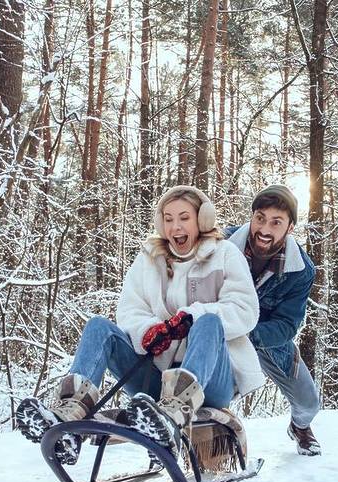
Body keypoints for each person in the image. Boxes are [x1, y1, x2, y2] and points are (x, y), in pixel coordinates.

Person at [16, 186, 263, 461]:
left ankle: (173, 417)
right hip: (155, 377)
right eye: (168, 219)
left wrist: (191, 317)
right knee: (99, 327)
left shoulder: (225, 254)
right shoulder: (149, 258)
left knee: (208, 321)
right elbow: (130, 310)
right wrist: (148, 331)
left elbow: (245, 310)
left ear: (201, 220)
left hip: (211, 382)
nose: (175, 226)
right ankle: (69, 419)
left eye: (184, 218)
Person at [225, 185, 322, 456]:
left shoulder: (300, 270)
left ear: (290, 227)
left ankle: (300, 428)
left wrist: (249, 335)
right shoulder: (223, 245)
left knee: (309, 403)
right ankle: (191, 443)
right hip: (226, 337)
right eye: (260, 218)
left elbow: (288, 325)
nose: (265, 229)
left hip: (271, 343)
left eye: (276, 222)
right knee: (211, 395)